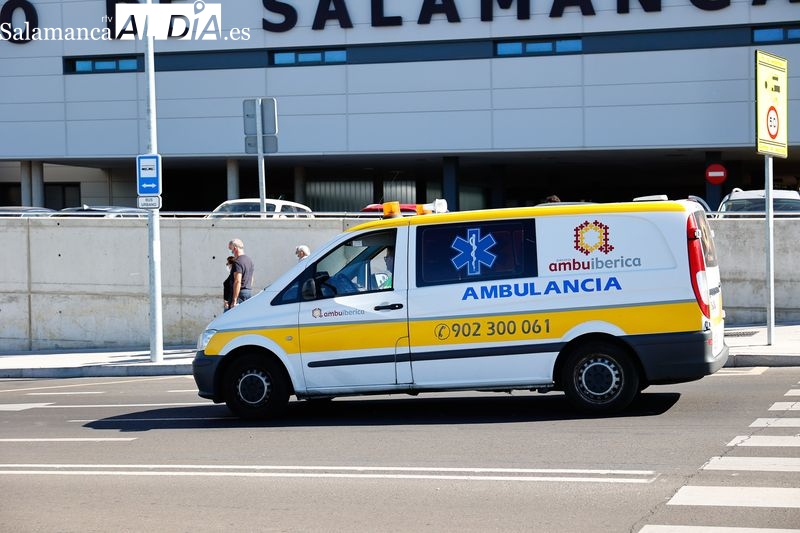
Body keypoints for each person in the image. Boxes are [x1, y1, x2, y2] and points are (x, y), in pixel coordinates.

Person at [227, 238, 255, 309]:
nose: (230, 252)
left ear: (235, 248)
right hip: (248, 292)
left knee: (228, 317)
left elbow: (237, 281)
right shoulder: (249, 260)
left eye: (230, 249)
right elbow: (251, 278)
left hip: (239, 294)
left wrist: (234, 300)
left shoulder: (237, 262)